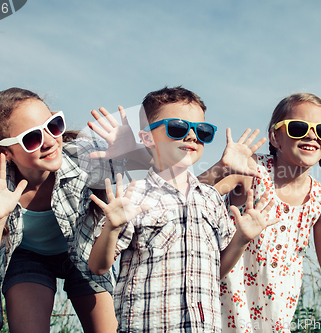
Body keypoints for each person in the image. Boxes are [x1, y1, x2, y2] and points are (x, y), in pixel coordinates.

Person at [88, 86, 276, 332]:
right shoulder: (133, 195)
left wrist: (241, 239)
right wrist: (112, 228)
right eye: (177, 128)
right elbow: (98, 266)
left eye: (202, 131)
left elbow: (217, 269)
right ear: (146, 138)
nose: (191, 136)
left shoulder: (211, 198)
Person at [0, 87, 136, 332]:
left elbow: (156, 180)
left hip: (83, 253)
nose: (49, 141)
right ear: (4, 151)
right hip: (29, 259)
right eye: (31, 138)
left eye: (53, 125)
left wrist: (135, 154)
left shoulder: (85, 159)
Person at [208, 93, 321, 332]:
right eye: (299, 127)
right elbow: (188, 198)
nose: (312, 135)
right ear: (275, 137)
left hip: (274, 321)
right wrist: (221, 168)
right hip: (220, 311)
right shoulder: (250, 170)